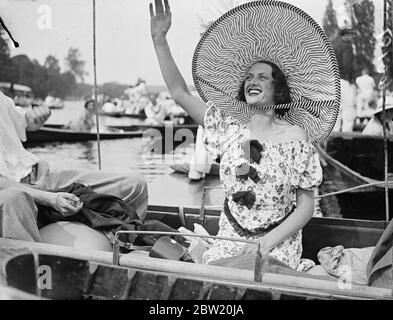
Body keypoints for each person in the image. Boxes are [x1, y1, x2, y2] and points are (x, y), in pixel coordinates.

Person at [149, 0, 339, 269]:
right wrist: (159, 40)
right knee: (218, 278)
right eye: (249, 77)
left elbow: (306, 207)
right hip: (230, 238)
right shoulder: (227, 127)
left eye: (262, 77)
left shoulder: (296, 136)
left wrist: (265, 243)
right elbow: (180, 93)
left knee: (257, 272)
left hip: (277, 243)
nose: (252, 81)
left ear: (278, 90)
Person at [0, 91, 148, 243]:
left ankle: (130, 244)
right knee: (15, 200)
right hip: (15, 191)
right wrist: (49, 198)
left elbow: (24, 121)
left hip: (40, 175)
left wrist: (34, 118)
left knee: (136, 186)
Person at [333, 29, 357, 132]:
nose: (352, 37)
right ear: (346, 35)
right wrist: (351, 78)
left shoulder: (334, 45)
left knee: (336, 109)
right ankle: (347, 136)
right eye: (351, 34)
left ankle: (334, 135)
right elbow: (347, 64)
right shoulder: (347, 46)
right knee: (348, 108)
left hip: (333, 80)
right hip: (344, 79)